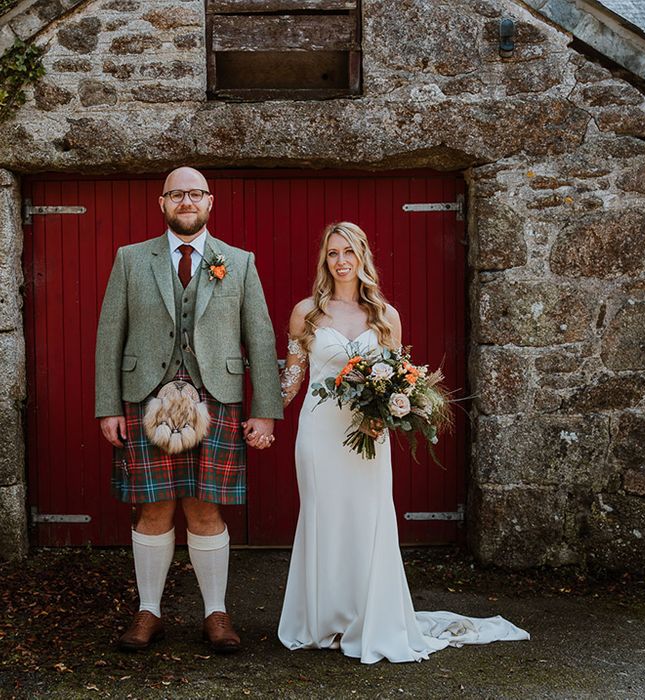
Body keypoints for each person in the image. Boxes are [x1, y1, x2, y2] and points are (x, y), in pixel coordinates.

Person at [265, 221, 528, 664]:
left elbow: (397, 382)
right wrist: (263, 415)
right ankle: (322, 619)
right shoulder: (306, 312)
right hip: (319, 432)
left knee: (369, 518)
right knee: (322, 517)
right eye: (332, 253)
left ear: (363, 256)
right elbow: (292, 378)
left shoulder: (386, 317)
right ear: (324, 261)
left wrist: (387, 416)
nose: (341, 261)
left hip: (368, 435)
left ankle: (369, 616)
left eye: (349, 251)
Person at [95, 167, 283, 653]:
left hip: (217, 398)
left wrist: (265, 409)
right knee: (153, 507)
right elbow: (108, 336)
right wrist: (107, 406)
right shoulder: (131, 259)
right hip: (144, 399)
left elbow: (260, 338)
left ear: (210, 201)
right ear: (162, 203)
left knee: (205, 507)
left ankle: (215, 613)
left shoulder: (238, 262)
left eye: (195, 193)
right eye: (176, 194)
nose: (186, 201)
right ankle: (149, 612)